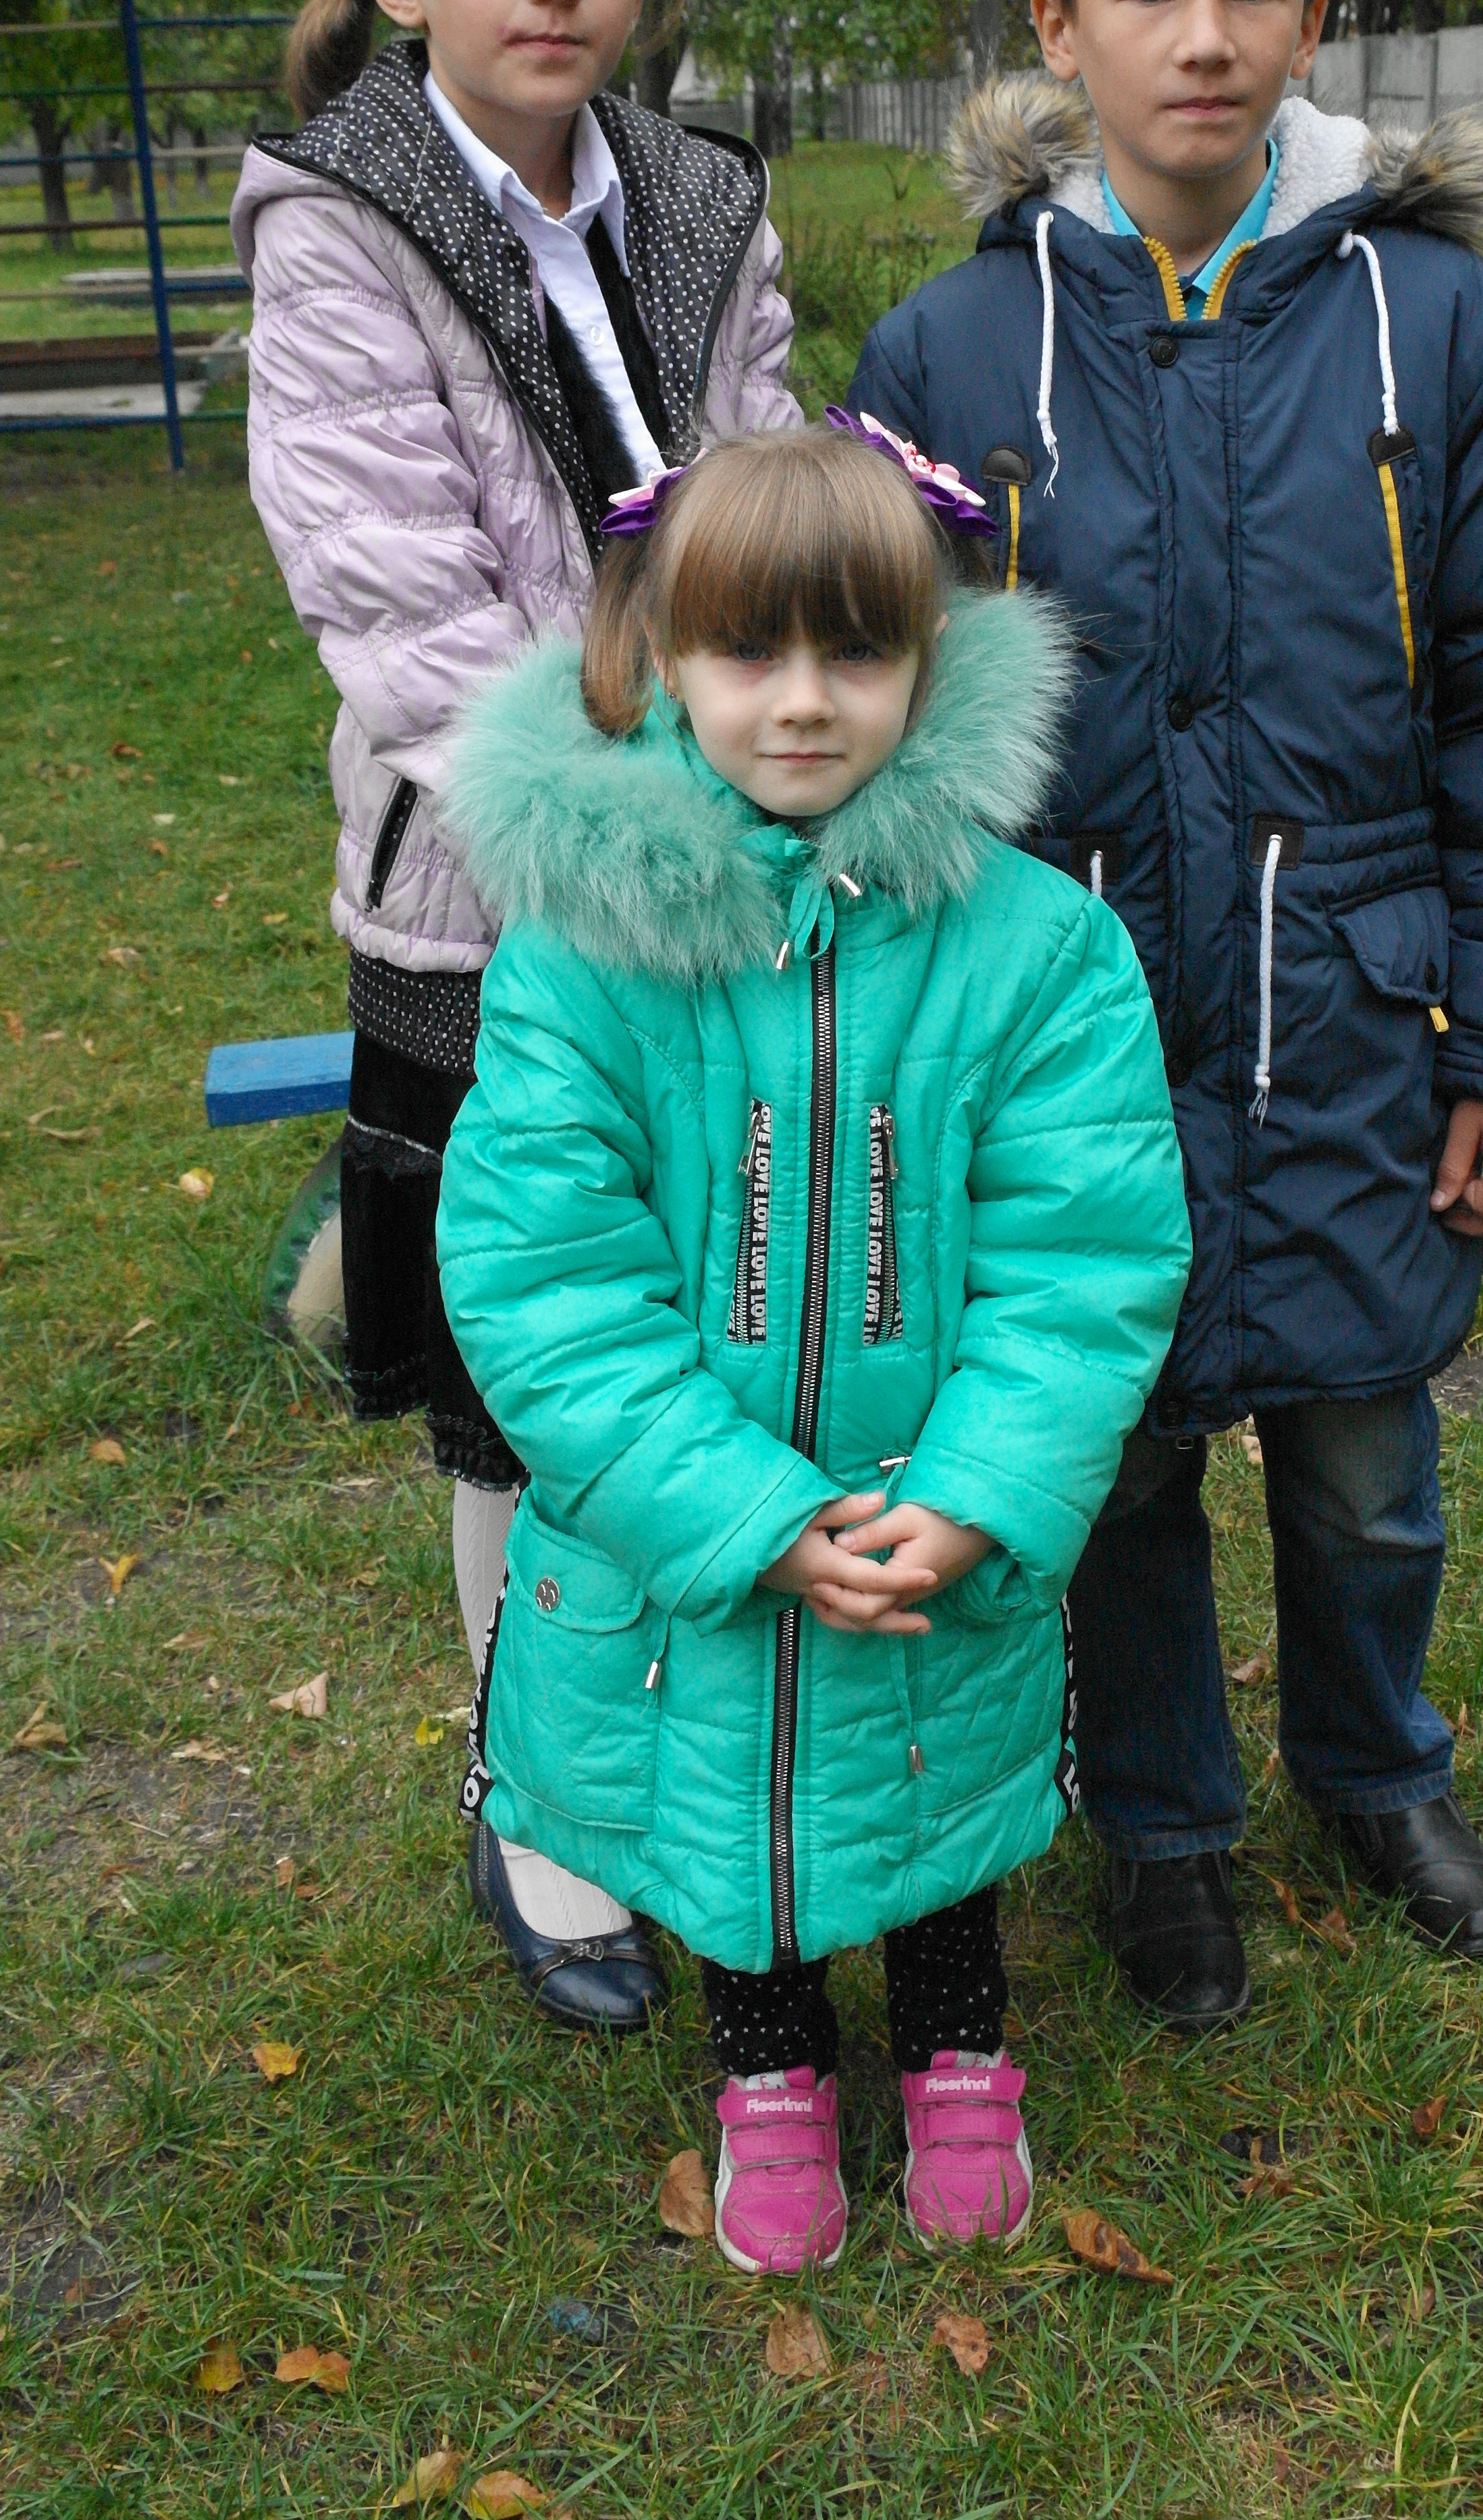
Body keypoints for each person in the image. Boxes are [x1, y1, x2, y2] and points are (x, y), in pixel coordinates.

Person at [848, 0, 1483, 2035]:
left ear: (1314, 15)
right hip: (1072, 1049)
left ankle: (1378, 1770)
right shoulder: (950, 354)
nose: (1204, 36)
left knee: (1370, 1462)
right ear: (1056, 22)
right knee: (1110, 1466)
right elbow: (887, 736)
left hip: (1359, 1026)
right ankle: (1164, 1830)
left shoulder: (1446, 330)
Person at [432, 422, 1190, 2271]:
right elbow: (545, 1281)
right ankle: (766, 2070)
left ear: (931, 658)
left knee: (933, 1772)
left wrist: (983, 1491)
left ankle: (958, 2048)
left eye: (855, 651)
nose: (799, 703)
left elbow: (1083, 1263)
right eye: (746, 651)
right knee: (719, 1798)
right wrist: (739, 1513)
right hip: (693, 1545)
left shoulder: (1041, 951)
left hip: (929, 1518)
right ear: (659, 654)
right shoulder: (580, 959)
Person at [234, 0, 803, 2038]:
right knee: (525, 1367)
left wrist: (793, 758)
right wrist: (658, 843)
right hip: (493, 904)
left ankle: (695, 1731)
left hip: (739, 851)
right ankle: (536, 1794)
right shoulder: (339, 220)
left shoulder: (702, 197)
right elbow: (409, 615)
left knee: (702, 1319)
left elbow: (767, 491)